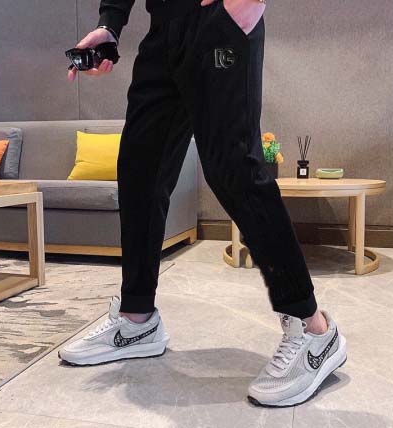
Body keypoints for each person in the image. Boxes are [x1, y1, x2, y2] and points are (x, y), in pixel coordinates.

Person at [59, 0, 347, 407]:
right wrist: (110, 24)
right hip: (162, 31)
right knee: (140, 170)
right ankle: (138, 319)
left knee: (235, 170)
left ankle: (314, 329)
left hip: (218, 18)